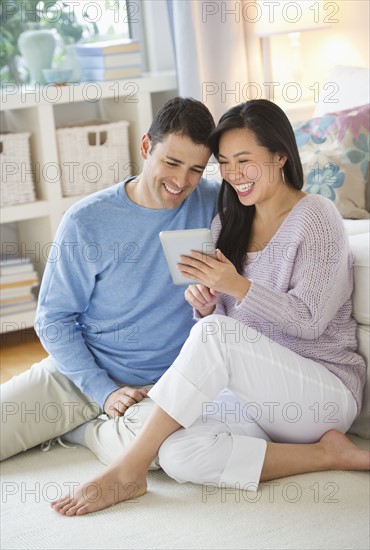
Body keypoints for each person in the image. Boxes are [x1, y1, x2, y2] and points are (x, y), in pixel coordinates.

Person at [50, 99, 369, 516]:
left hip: (324, 394)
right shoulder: (228, 221)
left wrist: (235, 287)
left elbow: (308, 321)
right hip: (259, 398)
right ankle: (328, 455)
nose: (234, 175)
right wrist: (207, 305)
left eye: (245, 160)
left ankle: (129, 470)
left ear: (280, 156)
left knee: (213, 335)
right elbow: (228, 327)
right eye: (224, 164)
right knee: (178, 453)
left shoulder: (317, 217)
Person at [0, 97, 220, 464]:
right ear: (146, 146)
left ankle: (83, 431)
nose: (182, 182)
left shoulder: (214, 202)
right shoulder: (87, 221)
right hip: (81, 374)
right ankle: (90, 417)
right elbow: (52, 319)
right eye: (171, 162)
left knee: (161, 456)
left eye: (196, 169)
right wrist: (103, 391)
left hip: (160, 390)